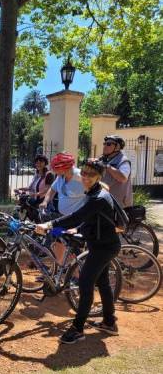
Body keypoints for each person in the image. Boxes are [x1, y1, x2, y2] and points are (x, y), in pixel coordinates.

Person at [36, 160, 121, 344]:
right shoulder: (94, 192)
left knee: (85, 283)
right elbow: (89, 217)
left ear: (99, 176)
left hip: (104, 247)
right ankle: (109, 322)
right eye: (84, 173)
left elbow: (78, 215)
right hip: (101, 244)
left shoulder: (98, 196)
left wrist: (50, 224)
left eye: (91, 174)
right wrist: (79, 227)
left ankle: (78, 328)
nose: (86, 177)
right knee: (103, 282)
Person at [39, 153, 86, 265]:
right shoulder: (60, 177)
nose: (54, 171)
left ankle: (77, 274)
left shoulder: (81, 177)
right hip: (63, 217)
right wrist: (45, 201)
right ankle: (59, 268)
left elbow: (100, 189)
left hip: (78, 219)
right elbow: (52, 189)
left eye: (56, 168)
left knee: (72, 246)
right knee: (58, 240)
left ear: (66, 168)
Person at [99, 135, 133, 208]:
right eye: (104, 144)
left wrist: (107, 166)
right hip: (104, 201)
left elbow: (122, 178)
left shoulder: (124, 161)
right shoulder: (103, 159)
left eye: (108, 144)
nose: (105, 146)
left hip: (118, 205)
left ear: (117, 147)